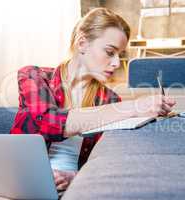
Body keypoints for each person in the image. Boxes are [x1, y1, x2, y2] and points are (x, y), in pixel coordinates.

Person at [10, 8, 176, 192]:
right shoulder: (33, 76)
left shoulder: (110, 99)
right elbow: (47, 122)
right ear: (82, 43)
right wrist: (134, 106)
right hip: (18, 184)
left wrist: (75, 178)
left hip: (70, 192)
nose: (116, 63)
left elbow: (112, 160)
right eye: (109, 52)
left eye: (120, 55)